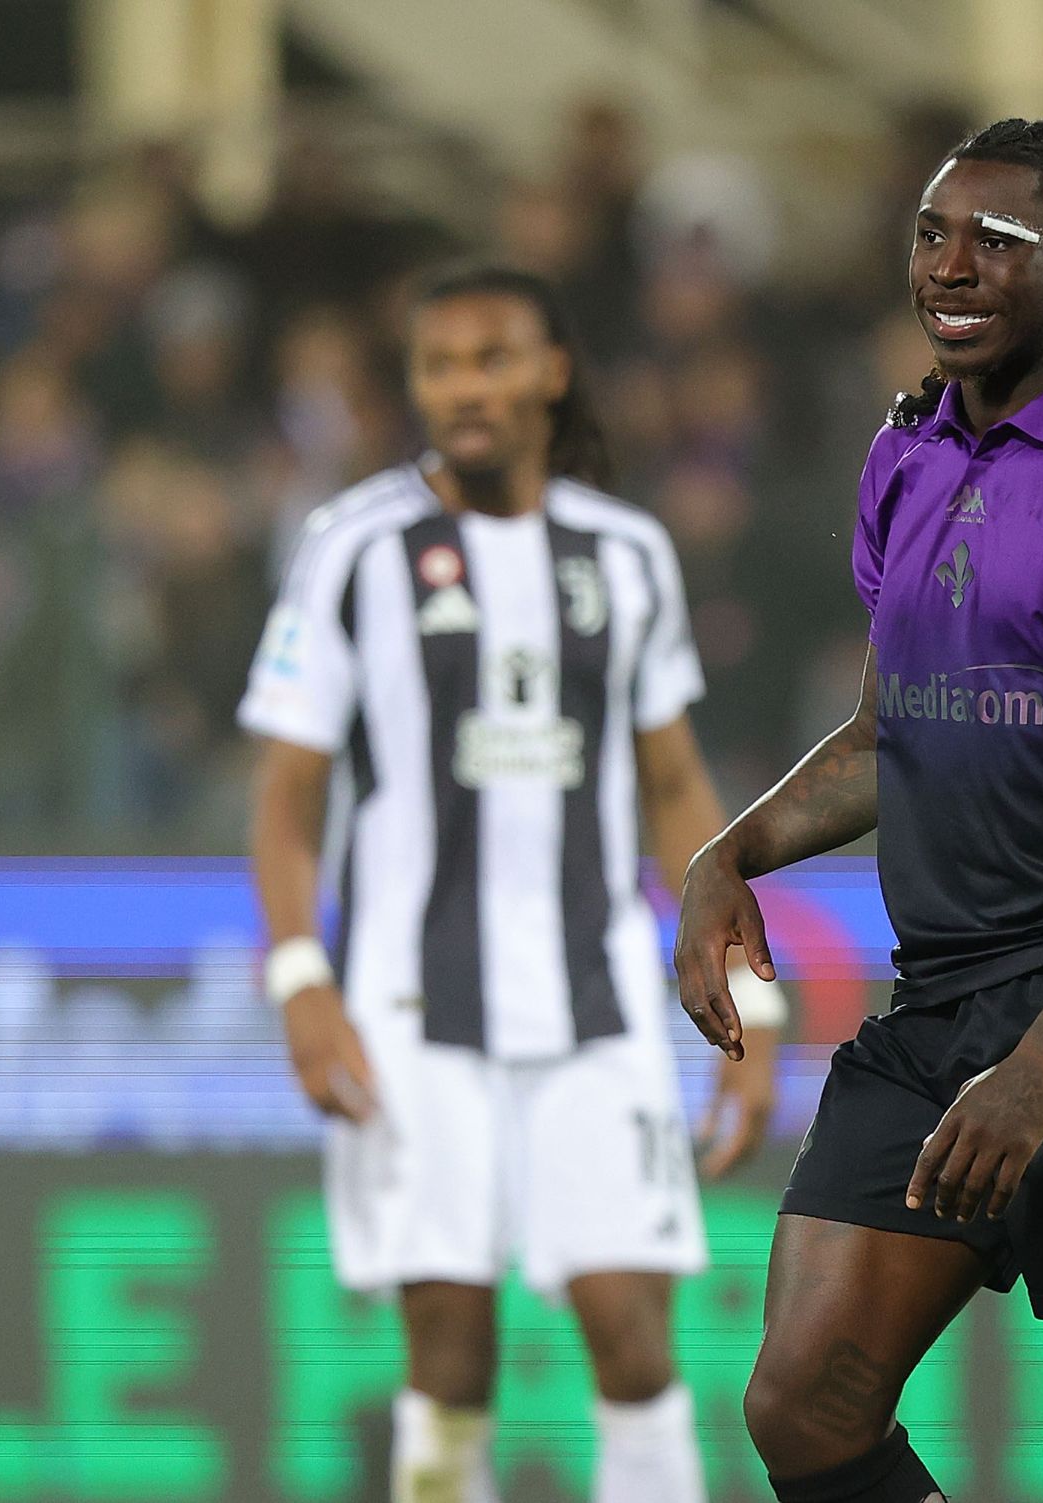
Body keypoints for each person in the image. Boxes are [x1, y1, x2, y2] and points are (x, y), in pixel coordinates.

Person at [675, 119, 1043, 1503]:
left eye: (996, 240)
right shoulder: (905, 452)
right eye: (932, 233)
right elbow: (896, 728)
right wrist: (732, 847)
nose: (951, 264)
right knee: (801, 1405)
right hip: (942, 1000)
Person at [240, 262, 783, 1503]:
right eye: (439, 365)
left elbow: (675, 789)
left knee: (633, 1337)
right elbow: (284, 797)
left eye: (491, 358)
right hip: (409, 1014)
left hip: (596, 1010)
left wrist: (748, 1004)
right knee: (449, 1353)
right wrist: (298, 980)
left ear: (550, 373)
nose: (464, 386)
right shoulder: (355, 549)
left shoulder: (627, 553)